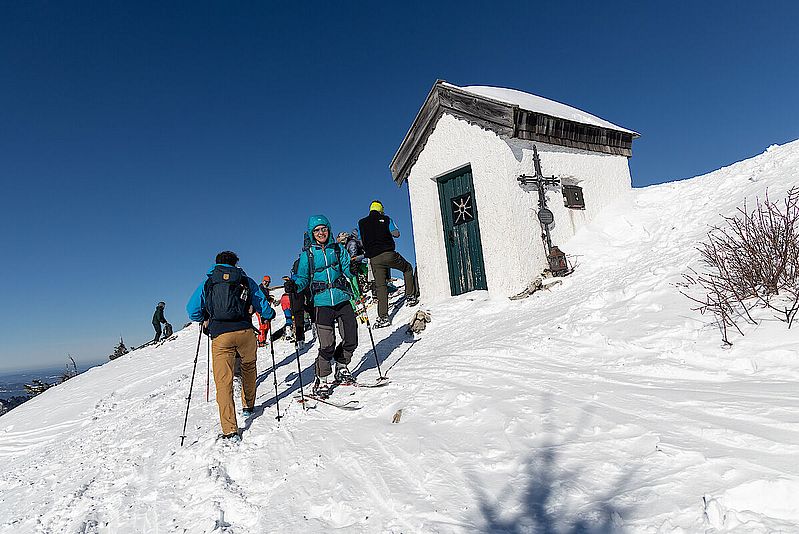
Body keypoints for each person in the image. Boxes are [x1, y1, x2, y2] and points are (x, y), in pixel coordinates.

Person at [186, 250, 275, 441]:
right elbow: (262, 306)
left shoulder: (209, 281)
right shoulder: (245, 279)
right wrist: (269, 315)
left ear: (216, 263)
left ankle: (230, 430)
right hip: (244, 332)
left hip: (221, 336)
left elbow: (192, 310)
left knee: (223, 382)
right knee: (248, 367)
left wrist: (205, 318)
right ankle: (248, 406)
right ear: (236, 264)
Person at [284, 215, 358, 397]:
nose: (321, 233)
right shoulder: (307, 255)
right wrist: (295, 286)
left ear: (329, 229)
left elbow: (347, 268)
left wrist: (353, 270)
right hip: (321, 302)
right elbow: (302, 278)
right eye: (317, 230)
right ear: (312, 233)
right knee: (327, 344)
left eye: (323, 229)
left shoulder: (338, 249)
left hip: (342, 298)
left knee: (351, 338)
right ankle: (322, 378)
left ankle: (341, 366)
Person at [358, 200, 418, 328]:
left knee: (381, 286)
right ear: (381, 209)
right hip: (388, 253)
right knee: (407, 268)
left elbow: (362, 241)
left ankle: (383, 317)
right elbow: (396, 234)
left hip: (374, 259)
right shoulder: (386, 219)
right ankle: (410, 296)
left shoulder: (362, 223)